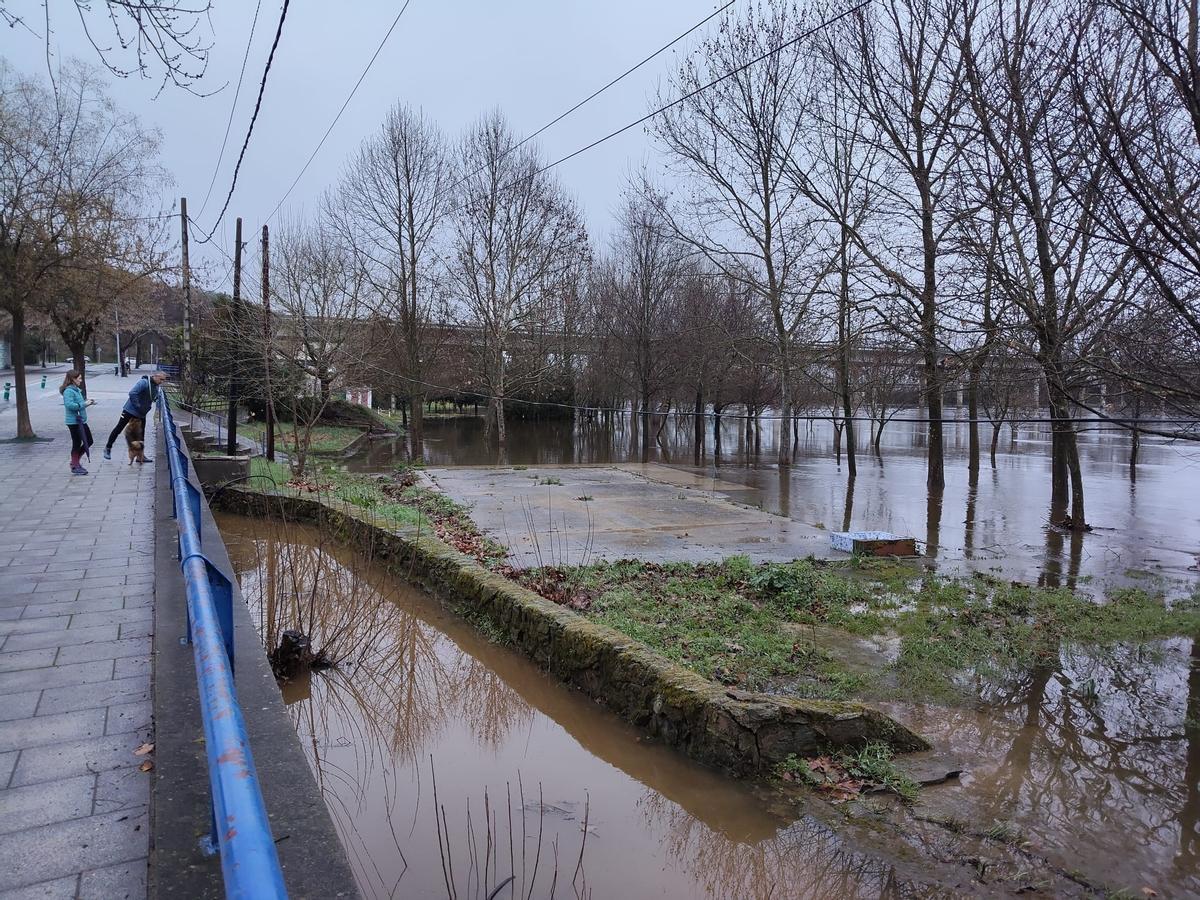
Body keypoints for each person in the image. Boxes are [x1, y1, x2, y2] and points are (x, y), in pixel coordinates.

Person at [104, 371, 167, 461]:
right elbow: (132, 393)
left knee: (141, 435)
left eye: (163, 380)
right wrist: (138, 406)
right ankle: (108, 448)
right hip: (130, 410)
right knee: (119, 428)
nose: (162, 382)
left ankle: (140, 456)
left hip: (142, 414)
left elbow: (152, 397)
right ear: (155, 376)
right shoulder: (144, 382)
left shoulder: (156, 386)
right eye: (161, 379)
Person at [61, 370, 96, 475]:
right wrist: (84, 404)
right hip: (74, 422)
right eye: (79, 378)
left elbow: (79, 403)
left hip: (80, 420)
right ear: (73, 379)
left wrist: (87, 402)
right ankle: (75, 465)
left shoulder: (76, 390)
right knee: (77, 443)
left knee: (89, 441)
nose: (81, 380)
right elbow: (69, 405)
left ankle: (75, 461)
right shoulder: (68, 391)